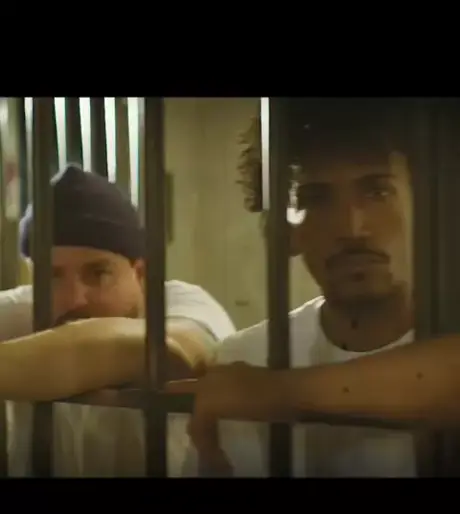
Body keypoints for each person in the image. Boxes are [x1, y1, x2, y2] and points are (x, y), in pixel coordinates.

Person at [171, 97, 449, 478]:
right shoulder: (248, 357)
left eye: (378, 192)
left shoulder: (253, 380)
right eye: (316, 199)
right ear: (287, 232)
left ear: (429, 207)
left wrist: (276, 391)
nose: (352, 228)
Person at [4, 163, 235, 477]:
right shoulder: (24, 307)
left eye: (98, 273)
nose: (74, 299)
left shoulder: (184, 303)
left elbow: (169, 350)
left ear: (139, 274)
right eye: (51, 276)